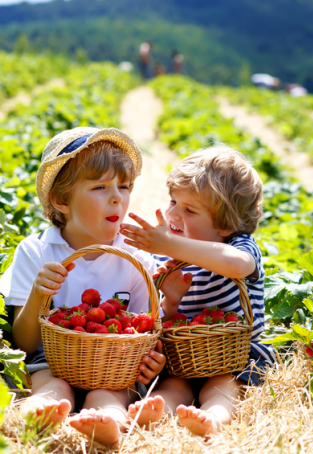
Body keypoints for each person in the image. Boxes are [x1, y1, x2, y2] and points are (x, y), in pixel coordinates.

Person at [0, 126, 169, 446]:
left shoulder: (135, 259)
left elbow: (143, 332)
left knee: (109, 395)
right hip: (51, 362)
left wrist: (153, 358)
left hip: (114, 370)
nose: (117, 197)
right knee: (50, 386)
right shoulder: (36, 252)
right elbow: (23, 343)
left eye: (124, 186)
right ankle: (41, 413)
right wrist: (39, 295)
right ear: (61, 200)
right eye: (100, 187)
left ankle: (107, 422)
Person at [120, 144, 277, 437]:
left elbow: (238, 265)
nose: (173, 214)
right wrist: (172, 299)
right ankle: (157, 411)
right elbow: (161, 317)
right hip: (184, 359)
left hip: (234, 357)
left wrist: (170, 245)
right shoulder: (169, 260)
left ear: (226, 225)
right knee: (173, 386)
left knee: (223, 385)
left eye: (189, 210)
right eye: (173, 202)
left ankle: (214, 418)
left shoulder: (239, 247)